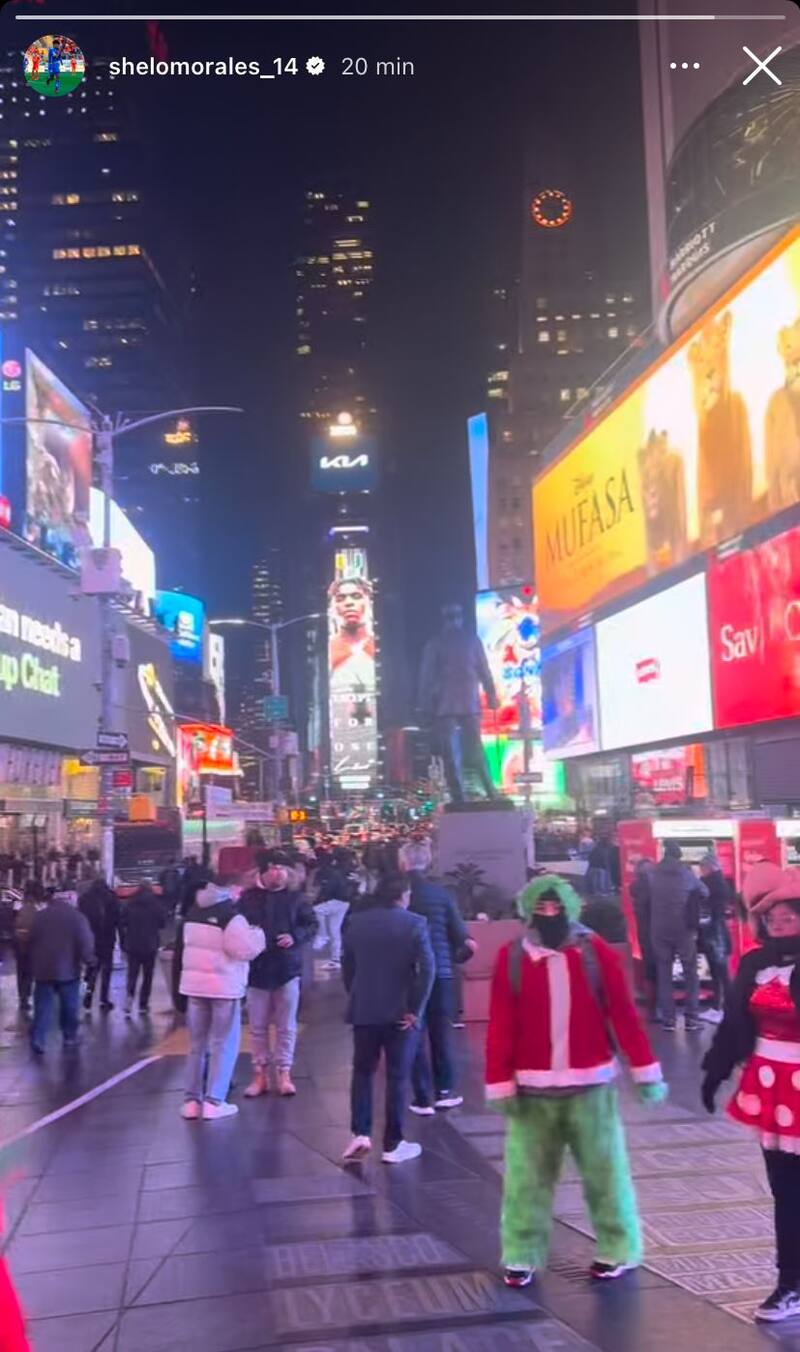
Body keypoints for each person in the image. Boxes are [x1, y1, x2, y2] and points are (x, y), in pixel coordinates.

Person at [487, 875, 666, 1288]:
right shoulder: (511, 958)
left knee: (605, 1175)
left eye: (555, 907)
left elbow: (622, 1013)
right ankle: (520, 1252)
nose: (549, 915)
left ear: (568, 908)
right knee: (526, 1181)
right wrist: (499, 1079)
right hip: (532, 1091)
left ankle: (618, 1247)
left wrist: (644, 1070)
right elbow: (501, 1023)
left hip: (592, 1086)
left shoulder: (594, 952)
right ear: (528, 910)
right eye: (541, 908)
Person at [701, 863, 800, 1322]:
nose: (779, 923)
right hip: (769, 1089)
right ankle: (790, 1285)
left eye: (789, 916)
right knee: (786, 1192)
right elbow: (735, 1023)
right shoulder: (755, 964)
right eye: (771, 917)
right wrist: (715, 1072)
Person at [342, 872, 435, 1164]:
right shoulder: (415, 924)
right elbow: (427, 970)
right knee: (397, 1077)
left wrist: (356, 994)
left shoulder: (357, 923)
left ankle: (360, 1132)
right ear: (403, 895)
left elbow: (348, 965)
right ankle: (393, 1143)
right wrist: (415, 1010)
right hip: (400, 1014)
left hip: (365, 1010)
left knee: (362, 1072)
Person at [176, 874, 265, 1120]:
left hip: (194, 987)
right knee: (223, 1044)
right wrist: (258, 934)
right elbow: (244, 950)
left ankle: (192, 1101)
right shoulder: (230, 917)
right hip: (223, 987)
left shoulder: (192, 915)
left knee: (196, 1045)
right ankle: (215, 1100)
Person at [399, 839, 475, 1114]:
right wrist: (452, 958)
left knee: (413, 1032)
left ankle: (421, 1098)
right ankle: (444, 1091)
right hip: (441, 974)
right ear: (428, 862)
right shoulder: (442, 895)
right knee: (441, 1034)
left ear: (403, 863)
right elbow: (465, 942)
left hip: (408, 975)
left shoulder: (397, 895)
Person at [239, 858, 317, 1098]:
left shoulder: (297, 898)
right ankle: (259, 1073)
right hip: (258, 970)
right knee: (257, 1027)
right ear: (263, 871)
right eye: (274, 867)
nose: (279, 872)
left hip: (287, 968)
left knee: (286, 1026)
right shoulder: (247, 898)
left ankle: (284, 1072)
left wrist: (296, 936)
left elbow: (311, 924)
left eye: (283, 867)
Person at [648, 841, 708, 1031]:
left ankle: (668, 1020)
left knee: (664, 973)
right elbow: (705, 891)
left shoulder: (653, 873)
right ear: (679, 856)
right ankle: (692, 1019)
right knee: (690, 972)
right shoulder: (685, 874)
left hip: (658, 928)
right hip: (682, 928)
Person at [28, 890, 95, 1054]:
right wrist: (89, 960)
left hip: (43, 970)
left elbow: (30, 940)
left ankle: (38, 1039)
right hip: (68, 970)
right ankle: (69, 1036)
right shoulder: (77, 918)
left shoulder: (40, 917)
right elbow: (85, 942)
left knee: (43, 1007)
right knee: (69, 1006)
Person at [697, 851, 733, 1023]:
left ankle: (720, 1008)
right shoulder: (720, 882)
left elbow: (706, 908)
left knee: (719, 972)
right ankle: (723, 1008)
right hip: (718, 932)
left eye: (702, 867)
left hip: (714, 933)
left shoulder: (708, 884)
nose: (700, 870)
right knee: (721, 972)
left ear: (709, 867)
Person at [119, 884, 164, 1016]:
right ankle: (143, 1004)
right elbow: (162, 923)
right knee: (148, 975)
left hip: (133, 944)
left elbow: (123, 922)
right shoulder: (156, 905)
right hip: (150, 945)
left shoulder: (130, 904)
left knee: (132, 974)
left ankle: (129, 997)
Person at [79, 878, 120, 1012]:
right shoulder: (112, 897)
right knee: (106, 971)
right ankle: (104, 999)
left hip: (91, 939)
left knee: (90, 970)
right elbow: (117, 919)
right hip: (108, 939)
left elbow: (81, 919)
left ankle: (87, 997)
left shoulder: (85, 899)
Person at [314, 849, 353, 969]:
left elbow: (327, 890)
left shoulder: (330, 873)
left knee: (316, 910)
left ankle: (322, 934)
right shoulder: (342, 871)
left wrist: (317, 900)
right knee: (335, 931)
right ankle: (335, 959)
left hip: (336, 901)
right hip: (344, 902)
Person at [13, 880, 46, 1013]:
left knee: (21, 972)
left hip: (19, 944)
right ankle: (29, 996)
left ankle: (23, 998)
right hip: (34, 944)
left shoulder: (18, 905)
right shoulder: (40, 907)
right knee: (32, 972)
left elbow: (12, 924)